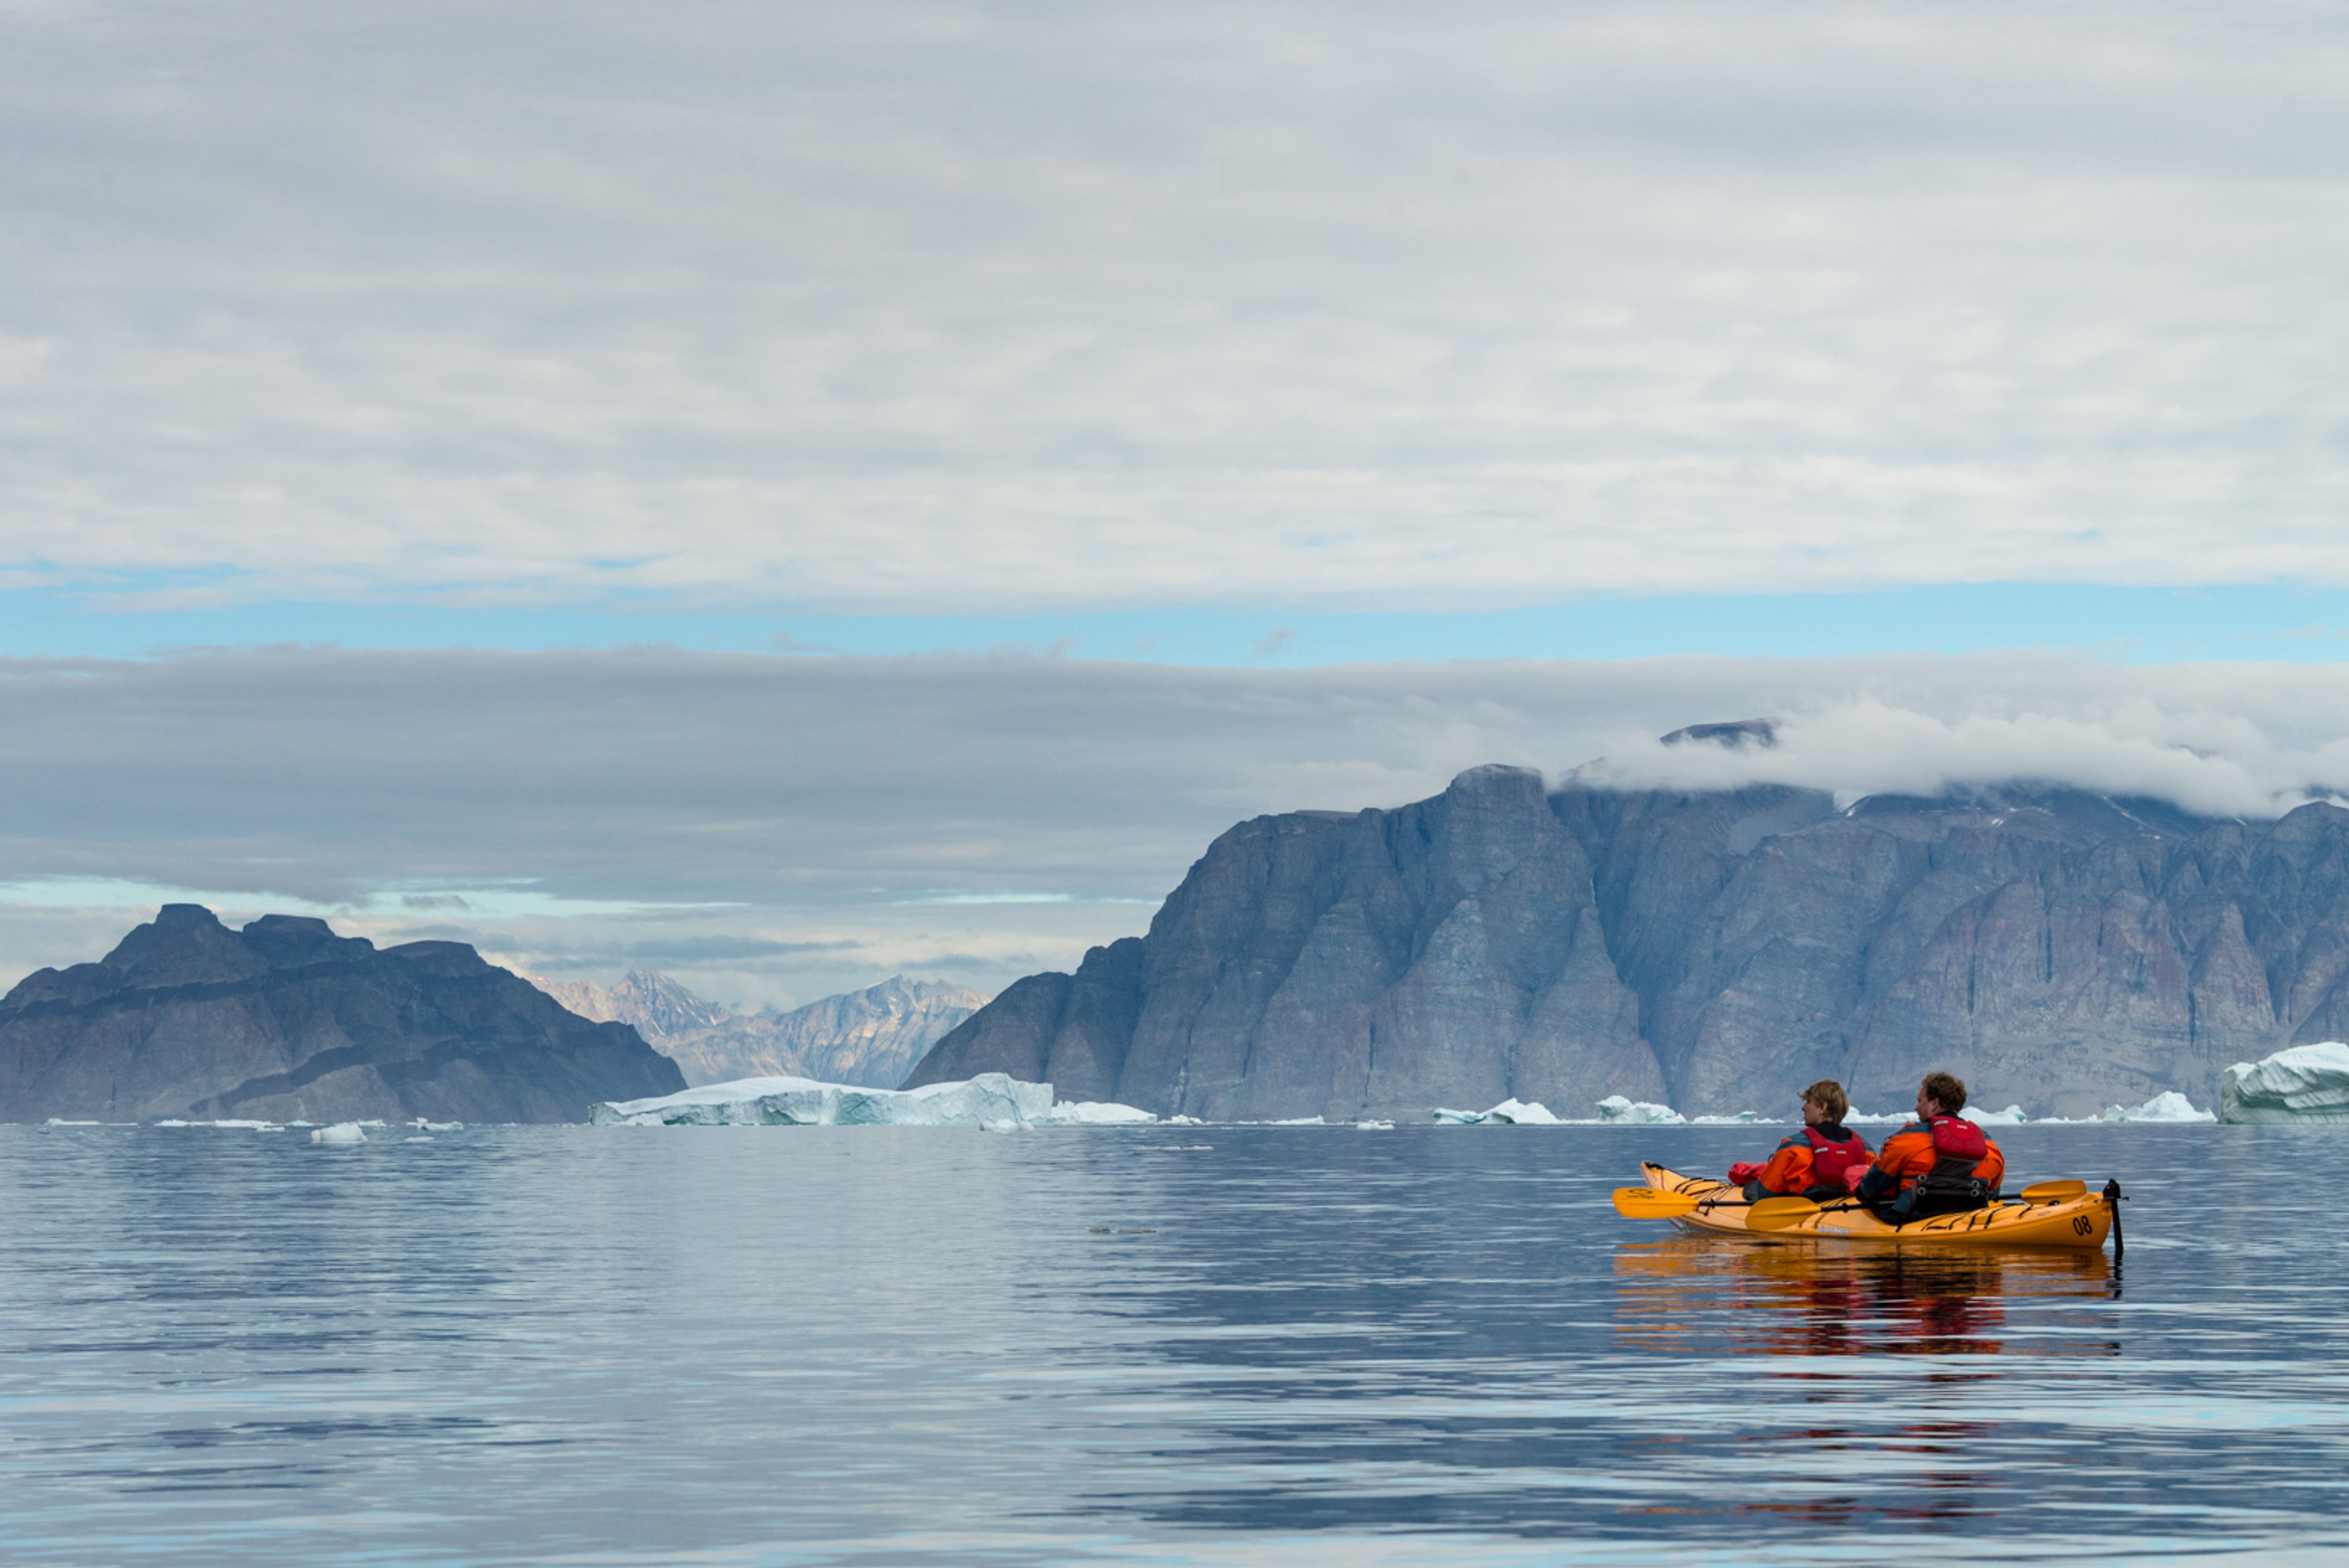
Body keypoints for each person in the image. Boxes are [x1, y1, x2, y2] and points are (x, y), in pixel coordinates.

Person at [1853, 1071, 2006, 1221]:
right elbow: (1993, 1192)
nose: (1916, 1108)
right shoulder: (1988, 1144)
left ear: (1935, 1104)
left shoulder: (1908, 1138)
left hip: (1914, 1218)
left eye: (1920, 1101)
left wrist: (1860, 1192)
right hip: (1971, 1215)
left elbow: (1871, 1187)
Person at [1727, 1080, 1873, 1201]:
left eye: (1809, 1102)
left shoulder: (1794, 1146)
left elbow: (1767, 1192)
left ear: (1823, 1108)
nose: (1803, 1108)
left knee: (1752, 1188)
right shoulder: (1866, 1148)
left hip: (1803, 1208)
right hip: (1846, 1208)